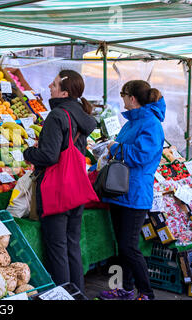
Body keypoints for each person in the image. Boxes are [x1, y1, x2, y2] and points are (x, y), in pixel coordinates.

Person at [23, 70, 96, 292]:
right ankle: (77, 293)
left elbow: (49, 156)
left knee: (57, 249)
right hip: (76, 190)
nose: (49, 87)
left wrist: (28, 153)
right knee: (72, 247)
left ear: (64, 92)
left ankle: (63, 294)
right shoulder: (81, 117)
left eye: (54, 84)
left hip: (57, 191)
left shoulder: (57, 116)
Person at [99, 80, 165, 301]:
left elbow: (142, 155)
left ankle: (146, 293)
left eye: (123, 94)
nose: (122, 98)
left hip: (136, 195)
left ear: (132, 98)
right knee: (122, 246)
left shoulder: (151, 124)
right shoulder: (131, 122)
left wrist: (115, 148)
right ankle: (124, 289)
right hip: (119, 193)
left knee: (129, 248)